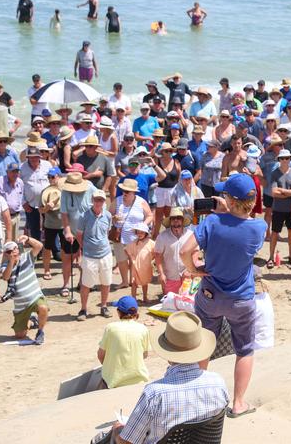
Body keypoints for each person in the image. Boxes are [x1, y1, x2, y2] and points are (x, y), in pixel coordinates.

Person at [180, 173, 266, 418]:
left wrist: (193, 268)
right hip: (241, 297)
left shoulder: (212, 222)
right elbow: (242, 225)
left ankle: (199, 399)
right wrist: (228, 211)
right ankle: (238, 403)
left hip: (210, 293)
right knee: (245, 350)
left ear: (229, 199)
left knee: (203, 344)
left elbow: (186, 250)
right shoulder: (259, 228)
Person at [110, 311, 228, 443]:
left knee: (117, 432)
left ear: (167, 351)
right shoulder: (218, 383)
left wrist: (117, 431)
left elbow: (127, 441)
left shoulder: (154, 394)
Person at [0, 236, 47, 344]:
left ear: (18, 248)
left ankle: (40, 332)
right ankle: (32, 321)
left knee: (43, 307)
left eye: (15, 249)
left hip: (35, 298)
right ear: (6, 254)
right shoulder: (5, 266)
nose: (14, 252)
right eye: (10, 251)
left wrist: (28, 239)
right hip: (20, 306)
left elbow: (39, 246)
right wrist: (11, 262)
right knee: (20, 335)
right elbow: (6, 277)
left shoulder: (27, 257)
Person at [76, 189, 114, 321]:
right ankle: (83, 309)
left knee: (106, 282)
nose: (99, 202)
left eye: (101, 200)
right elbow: (79, 235)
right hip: (89, 255)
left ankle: (103, 306)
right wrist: (84, 248)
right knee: (86, 284)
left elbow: (106, 233)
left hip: (105, 254)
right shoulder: (84, 216)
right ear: (92, 200)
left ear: (104, 201)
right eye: (96, 199)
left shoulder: (108, 216)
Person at [97, 295, 149, 389]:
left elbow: (101, 355)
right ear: (136, 312)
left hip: (114, 382)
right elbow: (144, 355)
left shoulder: (111, 328)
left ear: (118, 312)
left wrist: (110, 366)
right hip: (139, 381)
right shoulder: (143, 328)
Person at [114, 178, 153, 288]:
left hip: (135, 236)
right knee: (121, 260)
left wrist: (142, 226)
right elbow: (108, 215)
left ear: (133, 193)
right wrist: (114, 218)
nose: (124, 193)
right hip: (119, 235)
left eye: (127, 192)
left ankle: (133, 280)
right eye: (123, 191)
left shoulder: (141, 201)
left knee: (133, 259)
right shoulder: (117, 200)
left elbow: (150, 215)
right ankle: (124, 281)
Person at [268, 149, 291, 269]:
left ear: (290, 159)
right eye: (282, 158)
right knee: (275, 233)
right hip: (278, 209)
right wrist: (290, 192)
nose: (285, 160)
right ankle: (271, 257)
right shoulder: (274, 173)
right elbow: (274, 193)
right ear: (279, 160)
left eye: (287, 158)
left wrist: (283, 191)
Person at [154, 208, 193, 295]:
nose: (176, 220)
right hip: (170, 277)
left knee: (186, 302)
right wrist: (161, 274)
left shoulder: (190, 235)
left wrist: (190, 270)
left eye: (178, 218)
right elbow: (157, 255)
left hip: (187, 276)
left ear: (182, 221)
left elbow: (195, 252)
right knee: (170, 303)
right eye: (173, 218)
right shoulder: (162, 237)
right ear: (170, 221)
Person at [125, 223, 156, 303]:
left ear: (146, 233)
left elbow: (155, 252)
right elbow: (127, 250)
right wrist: (131, 259)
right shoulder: (133, 242)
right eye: (138, 232)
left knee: (145, 282)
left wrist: (152, 260)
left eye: (142, 232)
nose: (140, 234)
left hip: (146, 266)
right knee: (134, 283)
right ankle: (133, 298)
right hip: (135, 266)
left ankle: (145, 297)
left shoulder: (151, 243)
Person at [0, 163, 23, 242]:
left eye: (17, 171)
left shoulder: (20, 182)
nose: (15, 174)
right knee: (1, 241)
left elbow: (20, 197)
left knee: (13, 244)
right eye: (12, 171)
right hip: (2, 218)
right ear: (7, 172)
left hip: (16, 216)